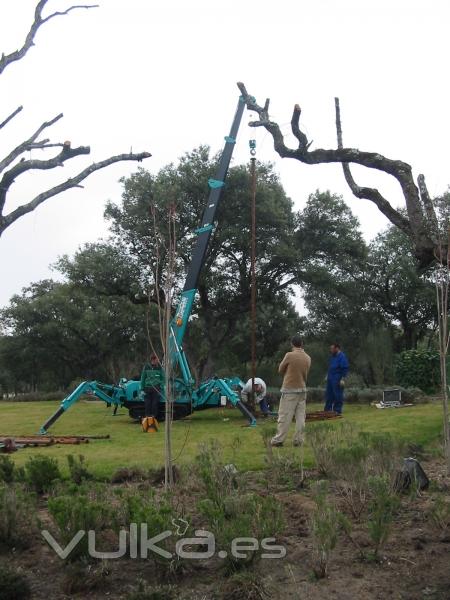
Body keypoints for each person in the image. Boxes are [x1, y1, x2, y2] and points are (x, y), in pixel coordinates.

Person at [271, 335, 311, 447]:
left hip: (289, 389)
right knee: (300, 417)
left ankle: (278, 440)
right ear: (302, 344)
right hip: (302, 389)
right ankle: (299, 440)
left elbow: (280, 369)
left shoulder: (289, 355)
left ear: (292, 344)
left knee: (284, 416)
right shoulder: (308, 357)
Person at [140, 353, 164, 432]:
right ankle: (147, 418)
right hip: (148, 388)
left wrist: (162, 385)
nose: (158, 361)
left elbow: (163, 377)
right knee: (147, 403)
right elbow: (143, 378)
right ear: (152, 360)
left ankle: (153, 418)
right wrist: (142, 389)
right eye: (156, 360)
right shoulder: (146, 367)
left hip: (156, 388)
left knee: (155, 403)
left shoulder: (159, 367)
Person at [324, 343, 349, 415]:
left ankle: (337, 410)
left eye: (332, 349)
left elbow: (345, 368)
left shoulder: (342, 357)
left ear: (337, 348)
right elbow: (331, 367)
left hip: (337, 379)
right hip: (330, 378)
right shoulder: (333, 357)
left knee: (337, 395)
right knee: (329, 395)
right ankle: (327, 410)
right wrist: (327, 375)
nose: (331, 350)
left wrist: (343, 379)